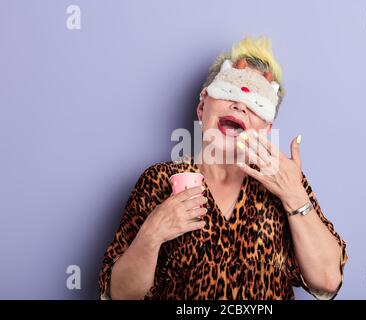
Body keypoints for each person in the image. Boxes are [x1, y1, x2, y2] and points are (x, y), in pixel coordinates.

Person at [98, 36, 348, 300]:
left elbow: (328, 281)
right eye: (230, 89)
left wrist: (294, 195)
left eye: (257, 103)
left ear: (266, 129)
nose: (240, 105)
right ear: (202, 105)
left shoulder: (285, 180)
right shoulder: (159, 180)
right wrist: (151, 235)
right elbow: (120, 296)